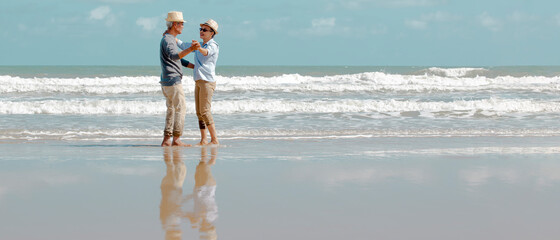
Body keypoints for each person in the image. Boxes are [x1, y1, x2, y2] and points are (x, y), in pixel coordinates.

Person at [159, 11, 200, 147]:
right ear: (175, 24)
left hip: (167, 80)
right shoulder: (168, 39)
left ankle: (166, 140)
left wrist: (194, 66)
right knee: (181, 108)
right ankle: (176, 139)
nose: (183, 26)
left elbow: (179, 60)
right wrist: (191, 49)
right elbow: (174, 56)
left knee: (171, 109)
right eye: (181, 24)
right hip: (172, 80)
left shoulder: (168, 39)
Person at [177, 19, 220, 145]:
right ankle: (203, 139)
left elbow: (206, 53)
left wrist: (198, 47)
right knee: (199, 112)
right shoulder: (200, 45)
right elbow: (183, 45)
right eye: (201, 29)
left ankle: (214, 139)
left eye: (205, 30)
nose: (202, 31)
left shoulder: (213, 45)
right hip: (198, 81)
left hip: (207, 82)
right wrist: (172, 38)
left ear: (212, 33)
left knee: (205, 111)